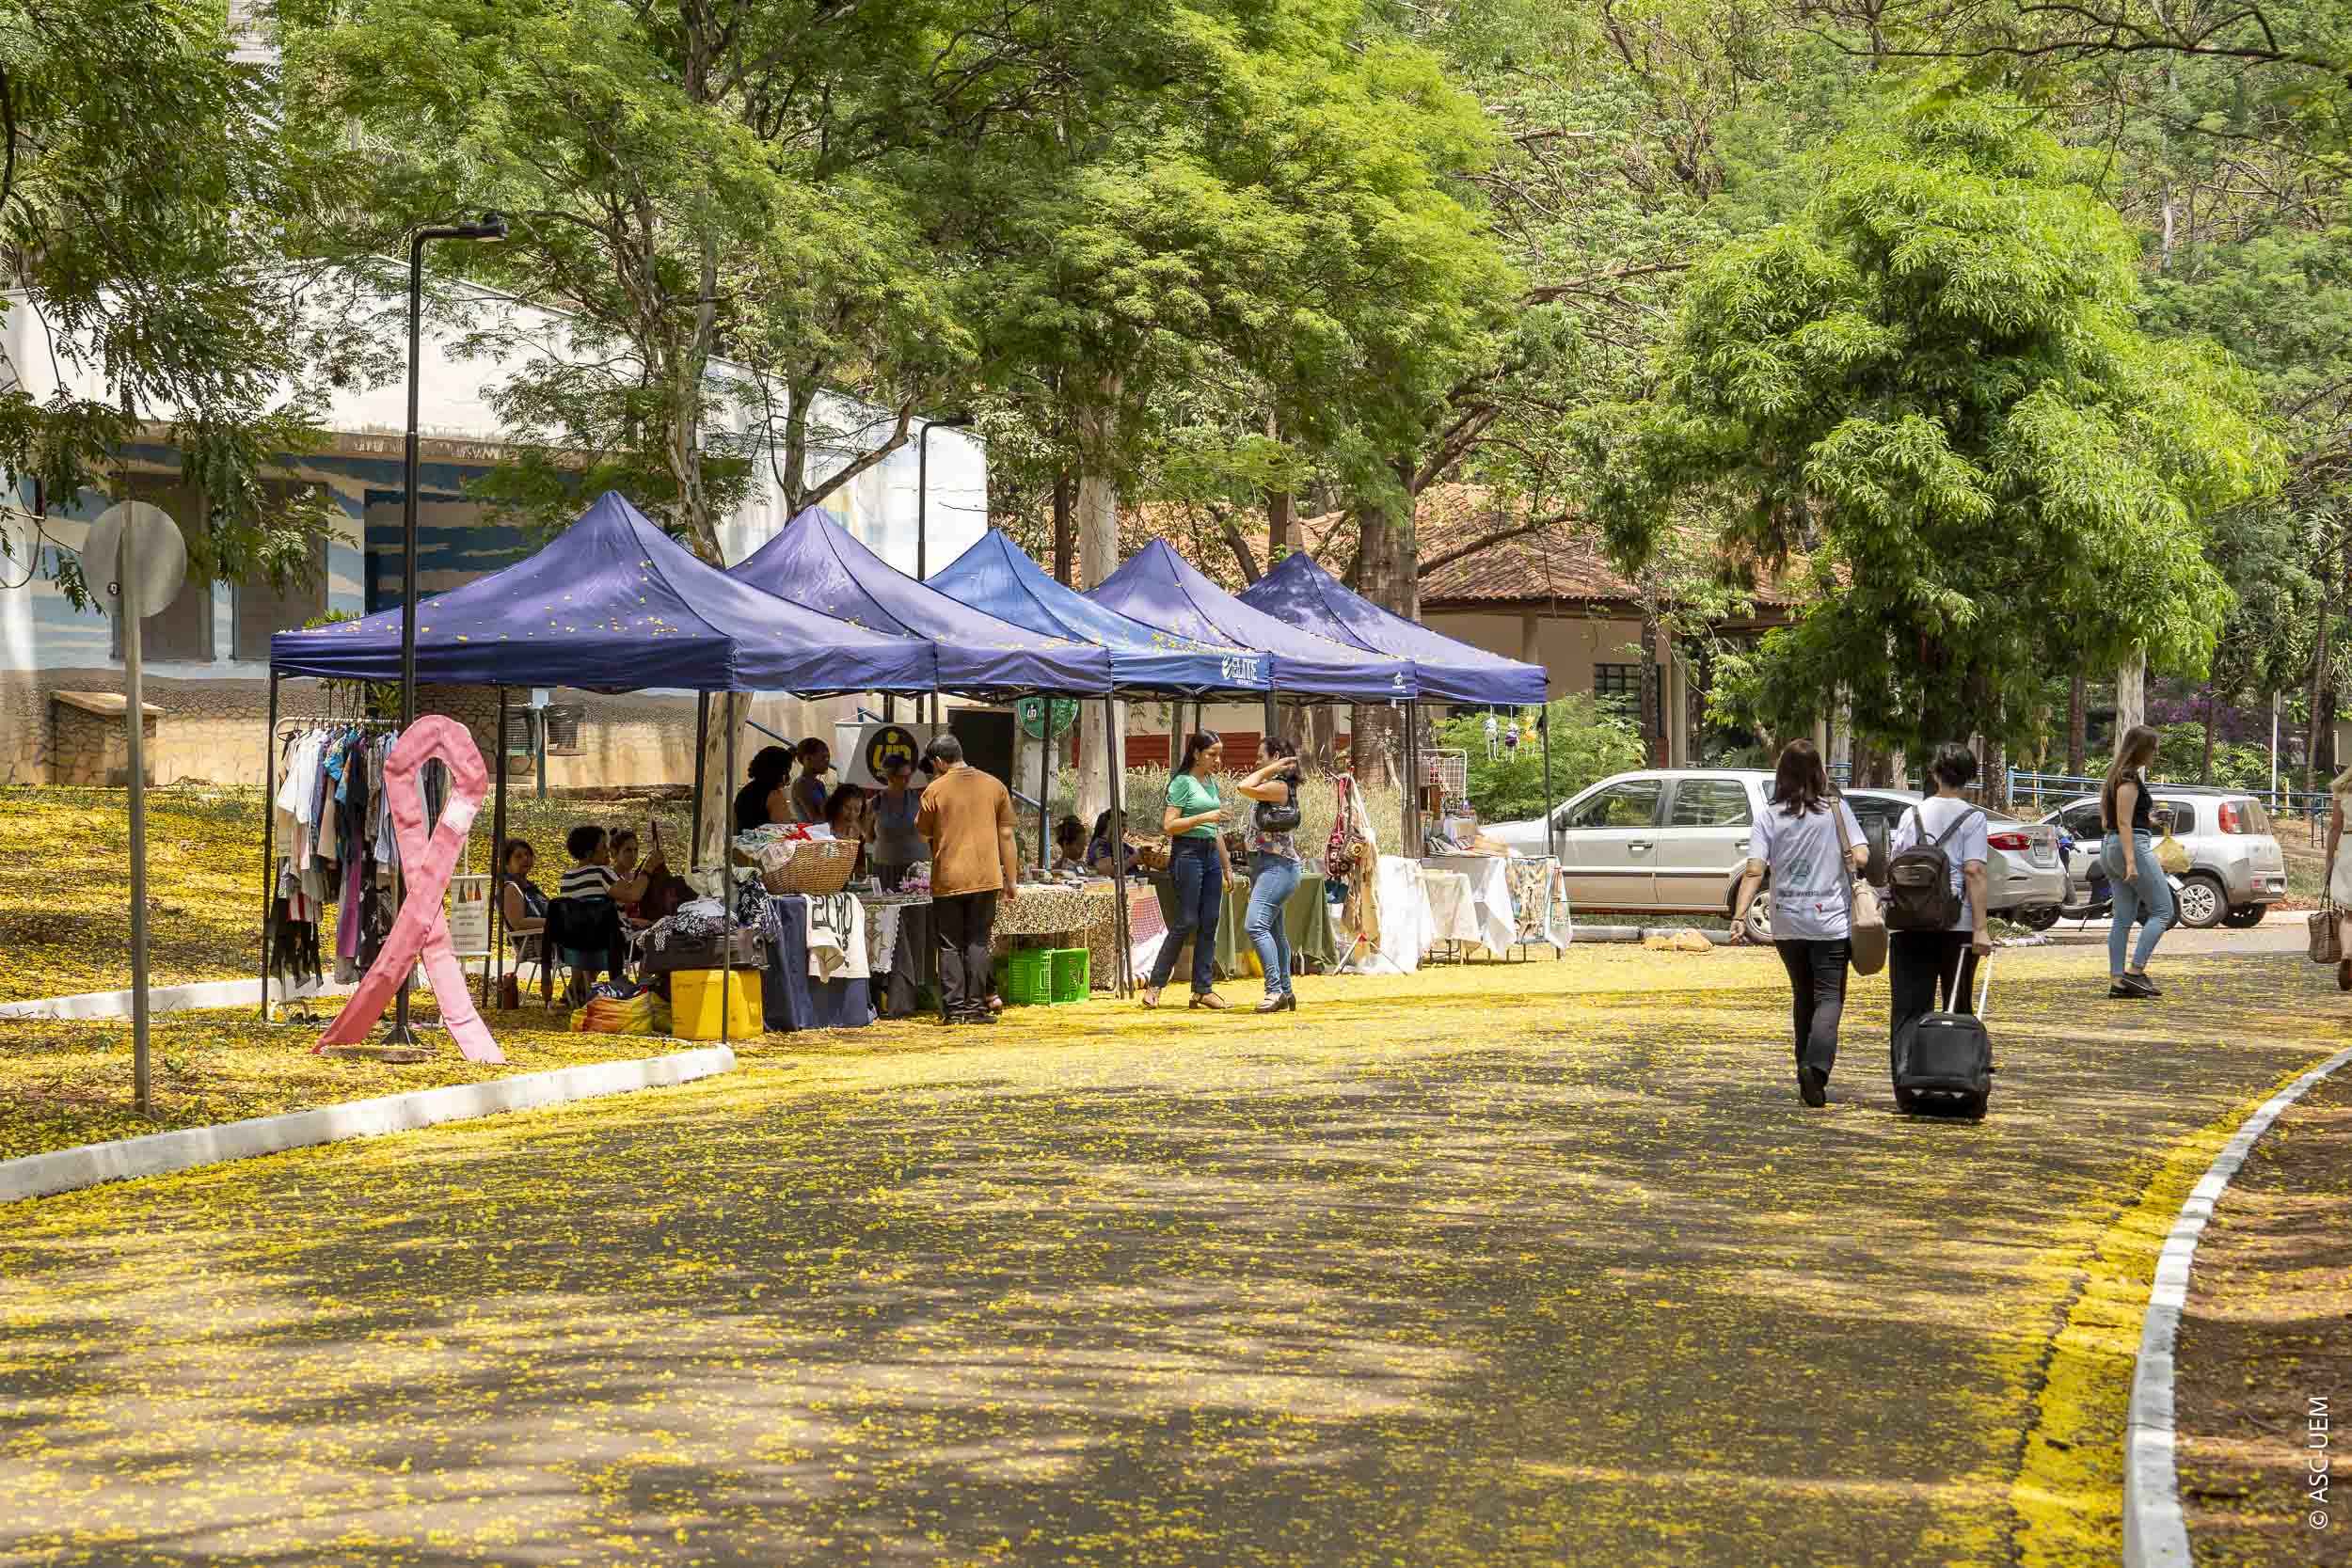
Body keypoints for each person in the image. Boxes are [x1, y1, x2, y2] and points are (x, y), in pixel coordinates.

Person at [1731, 738, 1867, 1107]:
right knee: (1829, 997)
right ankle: (1815, 1068)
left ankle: (1804, 1067)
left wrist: (1740, 916)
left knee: (1803, 996)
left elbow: (1754, 870)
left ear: (1782, 774)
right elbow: (1861, 856)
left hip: (1787, 923)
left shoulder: (1769, 816)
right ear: (1819, 772)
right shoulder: (1836, 810)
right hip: (1830, 921)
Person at [1886, 742, 1993, 1064]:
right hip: (1956, 925)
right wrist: (1981, 929)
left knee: (1908, 1009)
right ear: (1970, 777)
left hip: (1910, 921)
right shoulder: (1973, 818)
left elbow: (1897, 862)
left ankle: (1906, 1077)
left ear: (1934, 774)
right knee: (1956, 1005)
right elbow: (1974, 871)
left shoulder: (1912, 814)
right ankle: (1952, 1074)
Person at [914, 733, 1019, 1025]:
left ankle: (955, 1011)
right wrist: (1011, 880)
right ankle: (975, 1009)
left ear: (938, 761)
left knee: (949, 944)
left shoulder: (934, 791)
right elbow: (1007, 835)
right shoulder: (994, 785)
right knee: (977, 942)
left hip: (948, 879)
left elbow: (923, 834)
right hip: (987, 877)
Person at [1144, 729, 1235, 1010]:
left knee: (1210, 919)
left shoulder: (1211, 783)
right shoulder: (1182, 782)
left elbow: (1215, 830)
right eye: (1211, 755)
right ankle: (1155, 985)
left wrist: (1227, 866)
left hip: (1210, 854)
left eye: (1219, 755)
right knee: (1186, 920)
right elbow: (1169, 825)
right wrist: (1205, 816)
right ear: (1196, 754)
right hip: (1187, 853)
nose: (1217, 760)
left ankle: (1202, 989)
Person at [2102, 723, 2173, 999]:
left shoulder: (2114, 777)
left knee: (2123, 918)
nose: (2155, 754)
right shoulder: (2129, 779)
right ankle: (2134, 972)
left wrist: (2150, 820)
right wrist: (2131, 862)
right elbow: (2123, 822)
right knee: (2163, 911)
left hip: (2111, 846)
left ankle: (2117, 982)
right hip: (2129, 847)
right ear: (2141, 749)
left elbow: (2111, 820)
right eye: (2153, 749)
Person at [1235, 736, 1305, 1014]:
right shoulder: (1273, 786)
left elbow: (1243, 786)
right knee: (1275, 931)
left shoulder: (1278, 786)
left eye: (1260, 757)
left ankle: (1273, 990)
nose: (1256, 762)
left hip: (1278, 867)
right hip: (1267, 866)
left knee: (1255, 925)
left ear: (1275, 757)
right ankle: (1286, 992)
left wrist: (1273, 768)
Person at [871, 757, 926, 890]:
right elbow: (867, 836)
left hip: (916, 867)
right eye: (902, 777)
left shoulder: (919, 799)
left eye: (909, 775)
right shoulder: (875, 802)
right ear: (890, 777)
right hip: (886, 868)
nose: (908, 780)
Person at [2327, 765, 2352, 990]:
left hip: (2348, 849)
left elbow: (2335, 826)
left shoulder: (2342, 787)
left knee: (2349, 914)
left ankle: (2347, 955)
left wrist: (2329, 860)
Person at [733, 745, 793, 833]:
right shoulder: (774, 796)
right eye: (787, 771)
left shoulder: (745, 790)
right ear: (781, 772)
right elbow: (785, 829)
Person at [824, 783, 873, 878]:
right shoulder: (823, 829)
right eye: (847, 808)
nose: (852, 814)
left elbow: (860, 865)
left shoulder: (857, 831)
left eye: (857, 810)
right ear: (837, 805)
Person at [791, 736, 833, 824]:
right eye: (823, 757)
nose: (827, 761)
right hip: (812, 831)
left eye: (828, 757)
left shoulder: (819, 784)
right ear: (808, 759)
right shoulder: (801, 784)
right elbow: (814, 819)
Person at [1089, 809, 1139, 877]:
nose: (1126, 830)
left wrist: (1144, 856)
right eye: (1122, 825)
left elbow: (1138, 855)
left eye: (1126, 826)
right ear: (1110, 825)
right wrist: (1132, 860)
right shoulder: (1100, 845)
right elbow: (1109, 872)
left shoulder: (1123, 845)